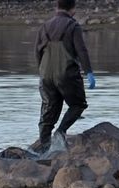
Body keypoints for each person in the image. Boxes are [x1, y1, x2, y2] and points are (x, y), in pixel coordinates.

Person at [35, 0, 95, 152]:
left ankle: (44, 148)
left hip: (46, 74)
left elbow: (37, 51)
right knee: (78, 104)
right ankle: (60, 133)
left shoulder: (45, 26)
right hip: (67, 74)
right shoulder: (73, 26)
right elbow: (81, 51)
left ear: (57, 7)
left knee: (48, 110)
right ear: (73, 9)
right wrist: (89, 72)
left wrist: (41, 71)